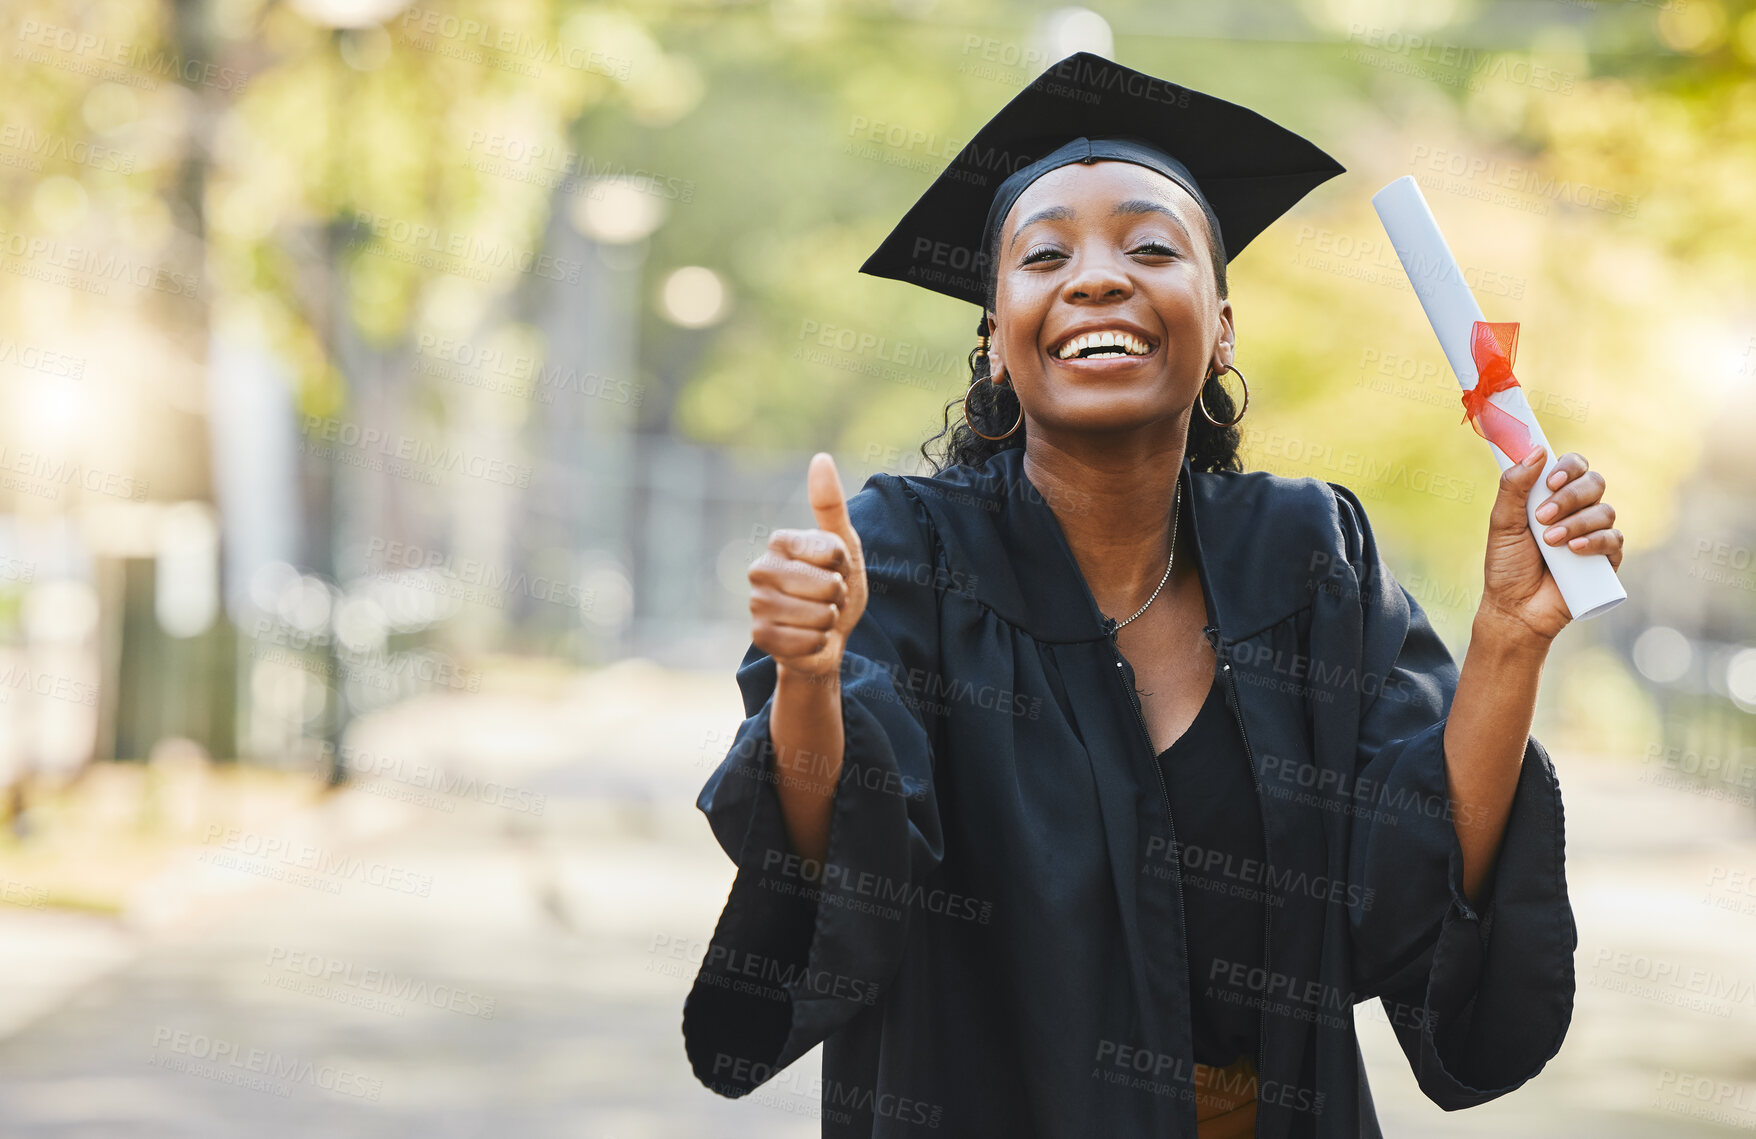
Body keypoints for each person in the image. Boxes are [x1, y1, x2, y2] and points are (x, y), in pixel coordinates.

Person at [683, 52, 1618, 1138]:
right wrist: (811, 676)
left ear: (1219, 326)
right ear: (995, 339)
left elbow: (1407, 882)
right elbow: (838, 858)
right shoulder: (906, 552)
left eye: (1148, 246)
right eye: (1043, 255)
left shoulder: (1310, 553)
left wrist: (1509, 637)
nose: (1095, 277)